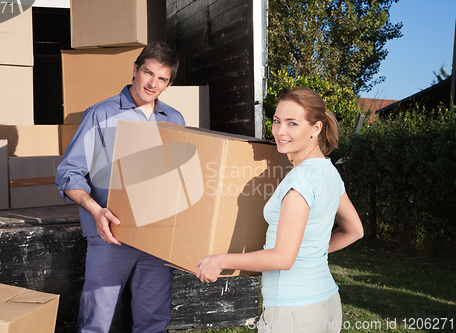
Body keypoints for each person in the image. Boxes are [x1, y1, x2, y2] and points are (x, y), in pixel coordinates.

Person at [196, 87, 364, 332]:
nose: (280, 131)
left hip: (293, 312)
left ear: (316, 128)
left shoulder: (299, 183)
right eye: (277, 121)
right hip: (326, 302)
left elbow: (283, 258)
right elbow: (355, 230)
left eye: (292, 123)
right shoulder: (328, 171)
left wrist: (220, 260)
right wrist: (309, 252)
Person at [55, 41, 185, 333]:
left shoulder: (175, 120)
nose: (152, 83)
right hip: (111, 234)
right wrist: (95, 210)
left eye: (162, 78)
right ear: (135, 70)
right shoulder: (100, 115)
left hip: (157, 237)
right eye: (148, 73)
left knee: (154, 321)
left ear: (169, 84)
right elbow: (68, 175)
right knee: (95, 323)